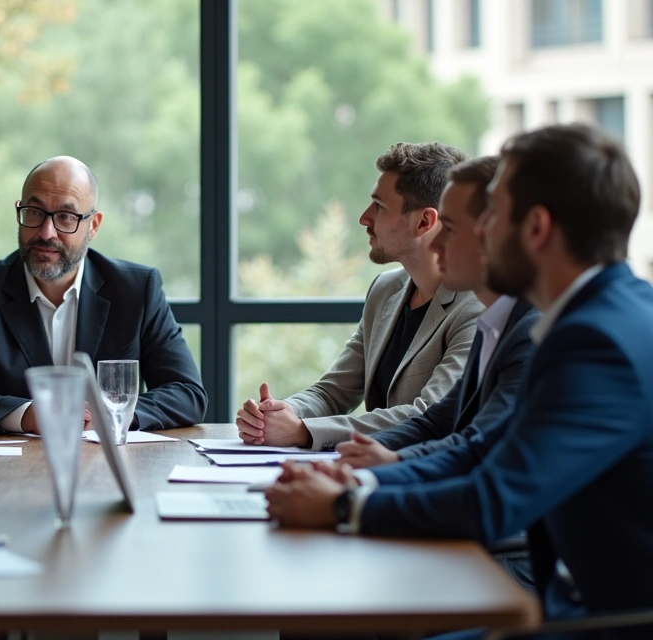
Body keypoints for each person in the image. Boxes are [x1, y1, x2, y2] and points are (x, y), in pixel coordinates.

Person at [266, 124, 653, 638]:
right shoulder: (590, 316)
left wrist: (342, 505)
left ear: (535, 228)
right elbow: (478, 445)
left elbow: (493, 498)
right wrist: (356, 480)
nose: (473, 233)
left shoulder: (593, 342)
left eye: (491, 214)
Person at [0, 156, 206, 434]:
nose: (46, 233)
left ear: (93, 225)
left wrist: (109, 415)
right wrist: (28, 415)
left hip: (107, 468)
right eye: (34, 212)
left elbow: (187, 393)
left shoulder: (136, 289)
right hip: (9, 468)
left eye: (65, 217)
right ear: (18, 211)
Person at [237, 142, 483, 451]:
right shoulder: (385, 290)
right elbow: (333, 392)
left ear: (424, 222)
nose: (364, 218)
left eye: (379, 206)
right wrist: (278, 414)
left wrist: (303, 432)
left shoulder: (475, 307)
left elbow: (427, 416)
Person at [334, 155, 539, 469]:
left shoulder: (526, 330)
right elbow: (438, 424)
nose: (437, 243)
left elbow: (481, 458)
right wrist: (360, 458)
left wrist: (357, 494)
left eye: (452, 228)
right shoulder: (499, 321)